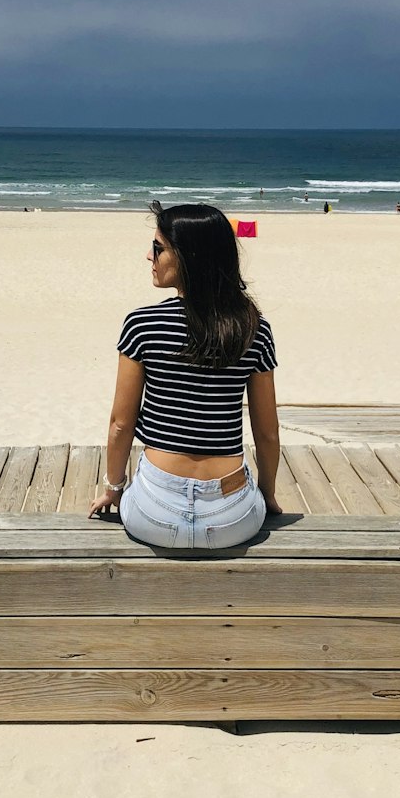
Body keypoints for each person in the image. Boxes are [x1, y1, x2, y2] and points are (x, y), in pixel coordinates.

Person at [88, 201, 281, 552]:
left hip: (154, 514)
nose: (149, 256)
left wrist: (113, 488)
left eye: (158, 248)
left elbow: (120, 424)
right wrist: (266, 495)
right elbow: (266, 432)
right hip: (232, 516)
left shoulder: (142, 325)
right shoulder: (254, 328)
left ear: (188, 257)